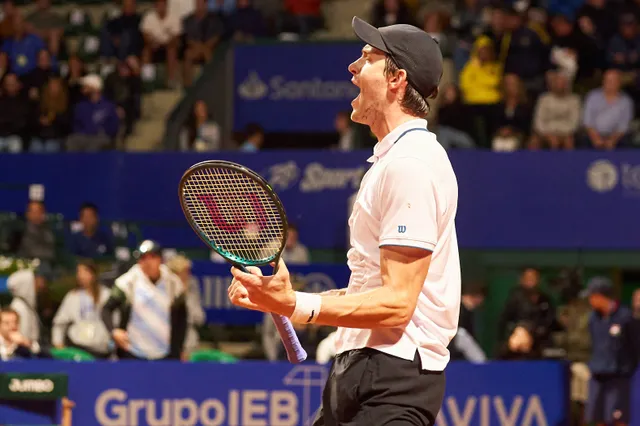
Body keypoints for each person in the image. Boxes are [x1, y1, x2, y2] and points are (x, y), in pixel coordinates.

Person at [228, 16, 460, 425]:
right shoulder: (393, 161)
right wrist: (285, 300)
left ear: (396, 80)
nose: (353, 68)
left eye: (367, 58)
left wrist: (296, 303)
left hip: (392, 378)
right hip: (359, 371)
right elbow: (371, 289)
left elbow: (397, 304)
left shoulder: (412, 164)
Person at [582, 276, 639, 426]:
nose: (590, 301)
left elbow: (635, 347)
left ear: (602, 296)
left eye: (592, 296)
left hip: (618, 377)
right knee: (596, 417)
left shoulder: (626, 317)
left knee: (618, 418)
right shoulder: (592, 318)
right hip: (597, 374)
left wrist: (625, 369)